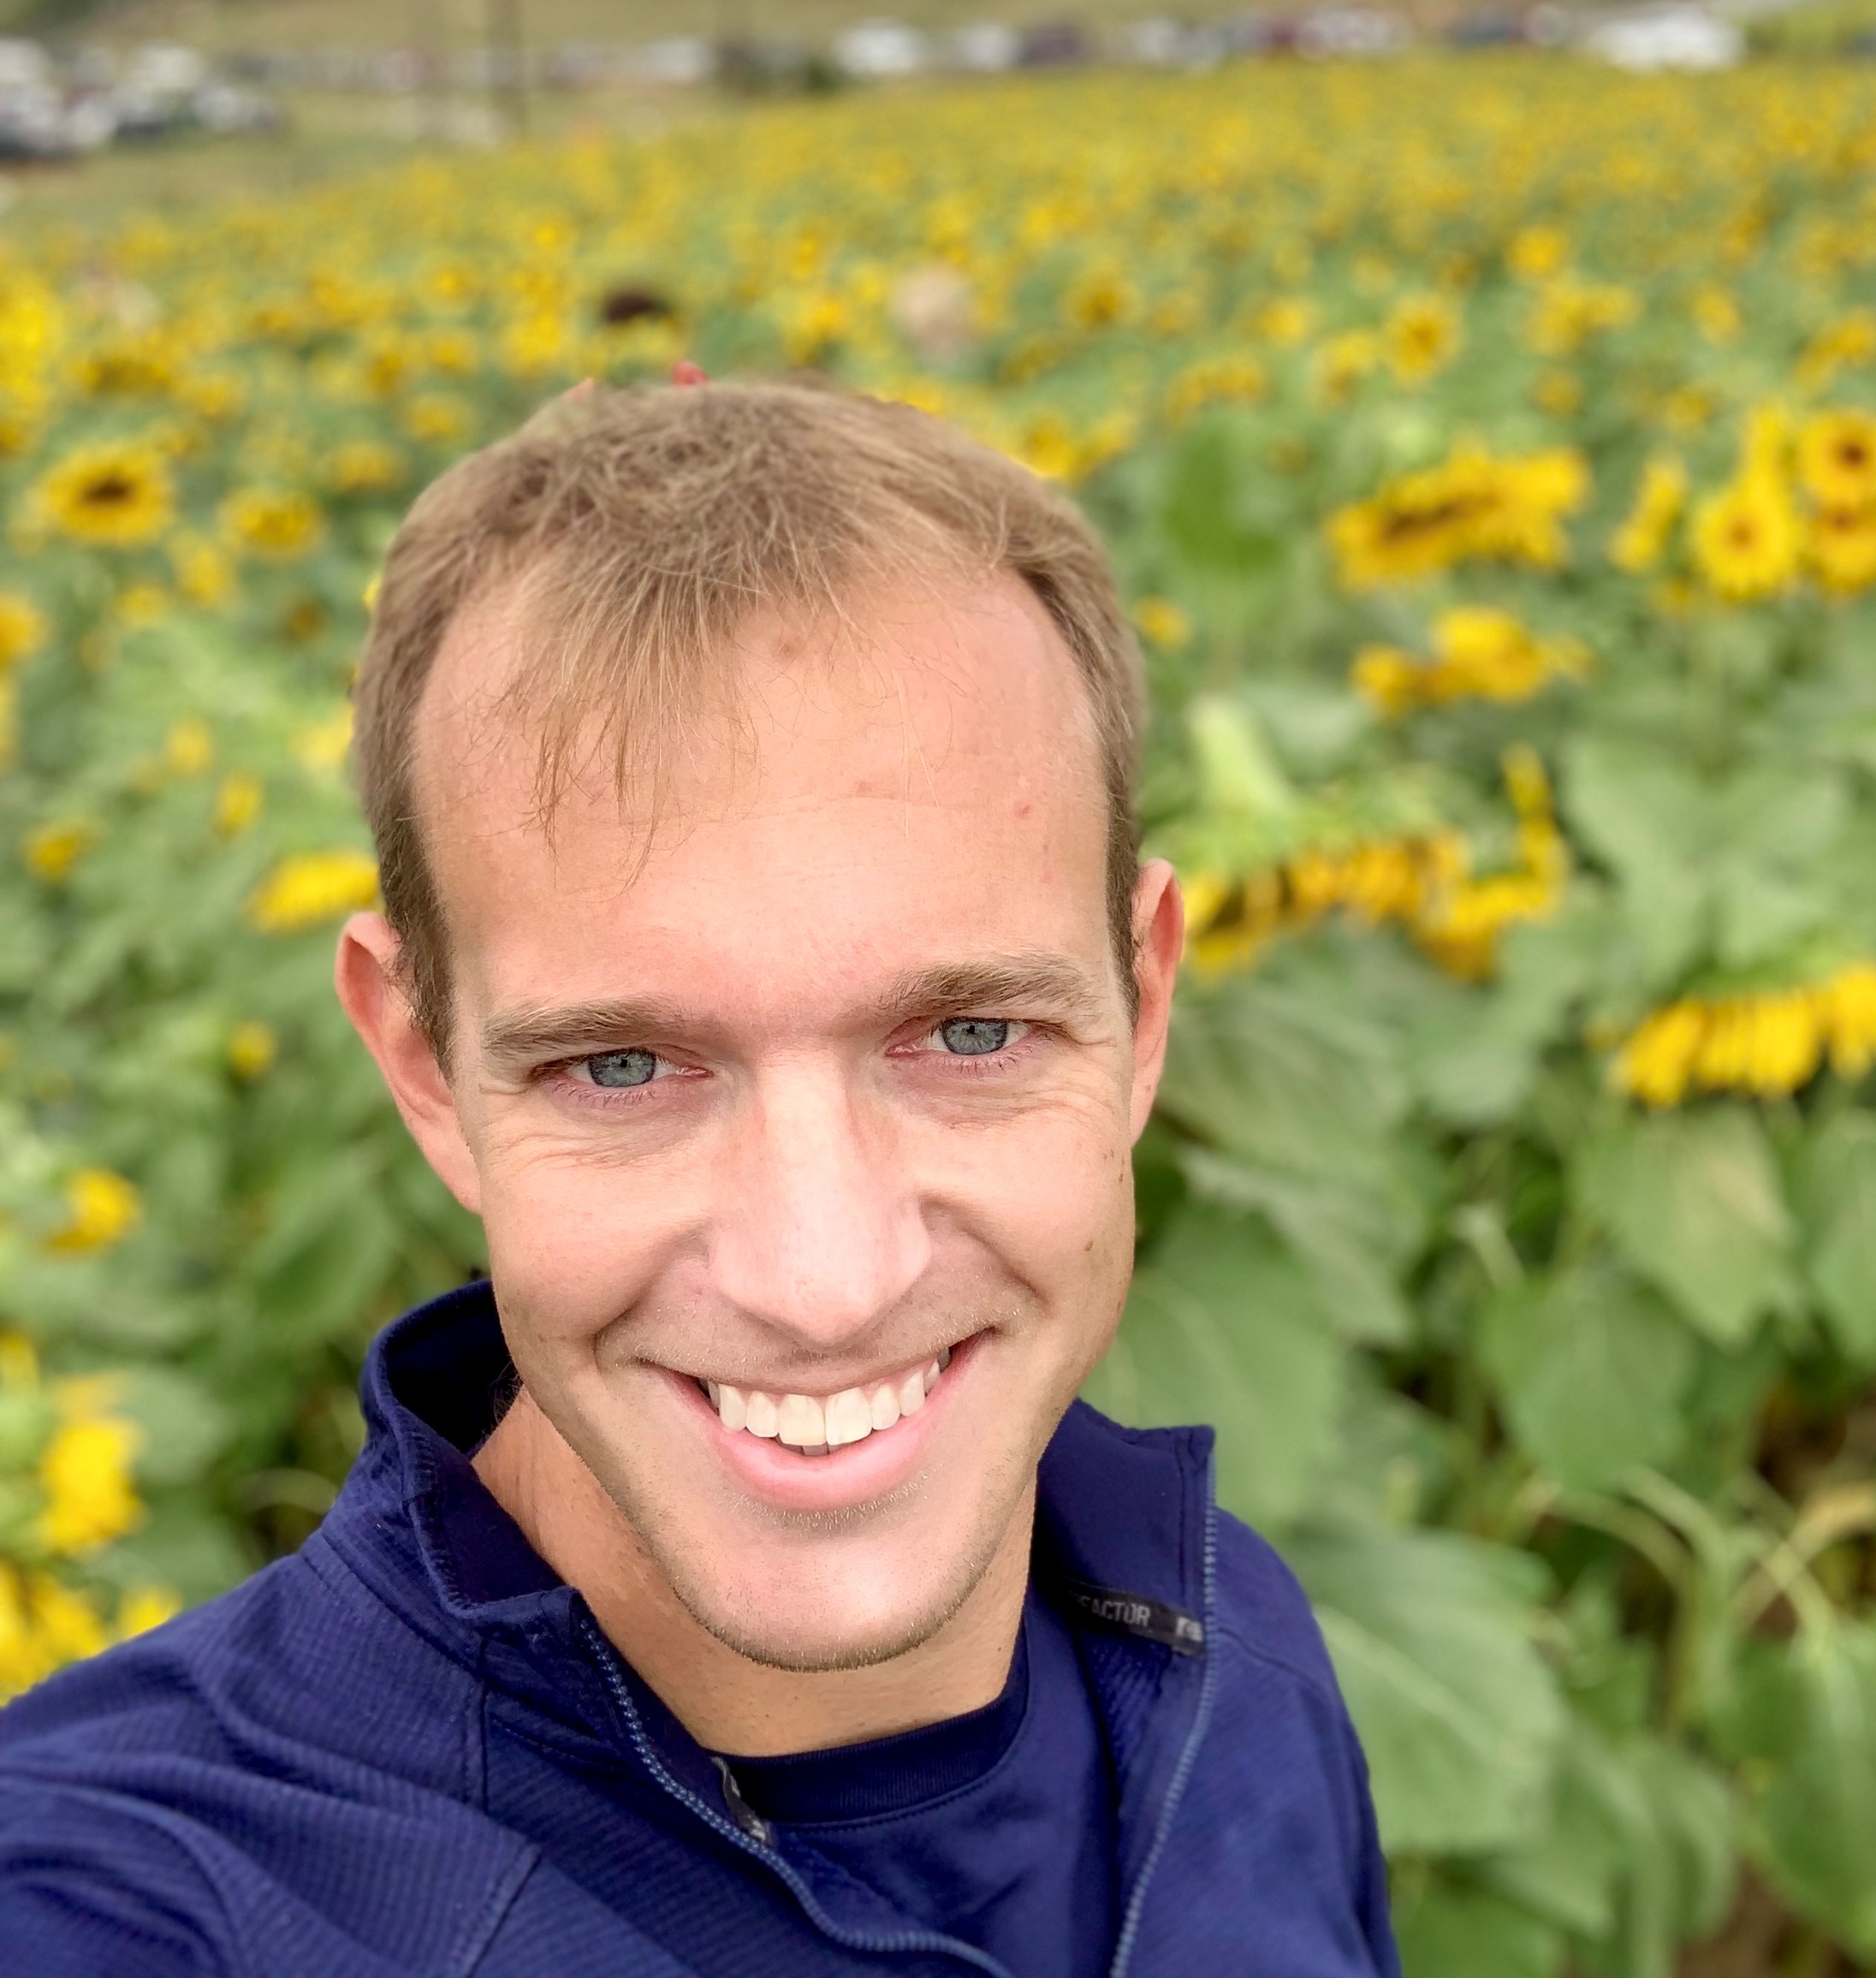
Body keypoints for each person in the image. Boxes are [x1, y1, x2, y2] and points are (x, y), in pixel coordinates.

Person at [0, 377, 1400, 1977]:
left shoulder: (1241, 1656)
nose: (826, 1281)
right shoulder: (138, 1900)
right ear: (419, 1065)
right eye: (621, 1068)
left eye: (973, 1031)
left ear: (1143, 1010)